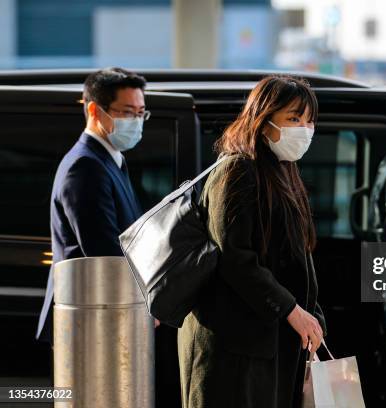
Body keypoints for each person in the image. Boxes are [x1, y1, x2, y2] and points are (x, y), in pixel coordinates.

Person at [177, 76, 327, 408]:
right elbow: (236, 257)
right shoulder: (238, 170)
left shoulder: (281, 170)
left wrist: (308, 313)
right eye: (293, 118)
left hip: (262, 341)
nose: (304, 129)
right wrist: (291, 309)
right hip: (232, 345)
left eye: (309, 120)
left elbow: (290, 257)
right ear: (263, 119)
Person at [36, 67, 147, 343]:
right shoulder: (85, 166)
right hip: (85, 319)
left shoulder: (111, 160)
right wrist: (144, 304)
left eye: (140, 112)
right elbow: (104, 251)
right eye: (126, 112)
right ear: (96, 111)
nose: (136, 121)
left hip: (102, 312)